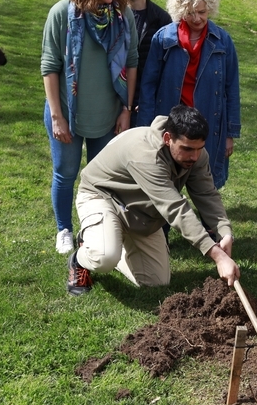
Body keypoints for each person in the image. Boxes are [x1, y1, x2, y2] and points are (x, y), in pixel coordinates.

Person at [67, 104, 240, 296]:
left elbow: (207, 194)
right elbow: (174, 208)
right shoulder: (145, 156)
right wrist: (217, 256)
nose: (195, 156)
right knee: (103, 257)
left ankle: (110, 242)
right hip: (103, 197)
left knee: (156, 281)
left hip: (141, 212)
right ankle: (83, 256)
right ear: (168, 138)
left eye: (200, 148)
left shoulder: (196, 155)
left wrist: (225, 232)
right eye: (188, 149)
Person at [42, 0, 138, 255]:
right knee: (65, 172)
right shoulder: (62, 13)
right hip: (67, 113)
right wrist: (57, 117)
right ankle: (64, 229)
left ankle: (94, 231)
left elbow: (132, 62)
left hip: (108, 113)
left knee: (101, 179)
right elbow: (50, 66)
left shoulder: (123, 16)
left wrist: (126, 109)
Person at [138, 0, 240, 190]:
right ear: (180, 9)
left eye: (202, 12)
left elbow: (232, 90)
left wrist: (230, 134)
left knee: (206, 186)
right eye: (190, 12)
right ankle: (161, 225)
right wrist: (145, 128)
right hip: (171, 122)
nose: (196, 18)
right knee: (164, 184)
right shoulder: (164, 38)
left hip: (209, 125)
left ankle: (209, 225)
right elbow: (148, 86)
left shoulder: (223, 41)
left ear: (210, 9)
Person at [123, 0, 172, 124]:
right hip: (115, 97)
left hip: (142, 101)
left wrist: (147, 100)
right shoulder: (115, 14)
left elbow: (165, 66)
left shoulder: (161, 19)